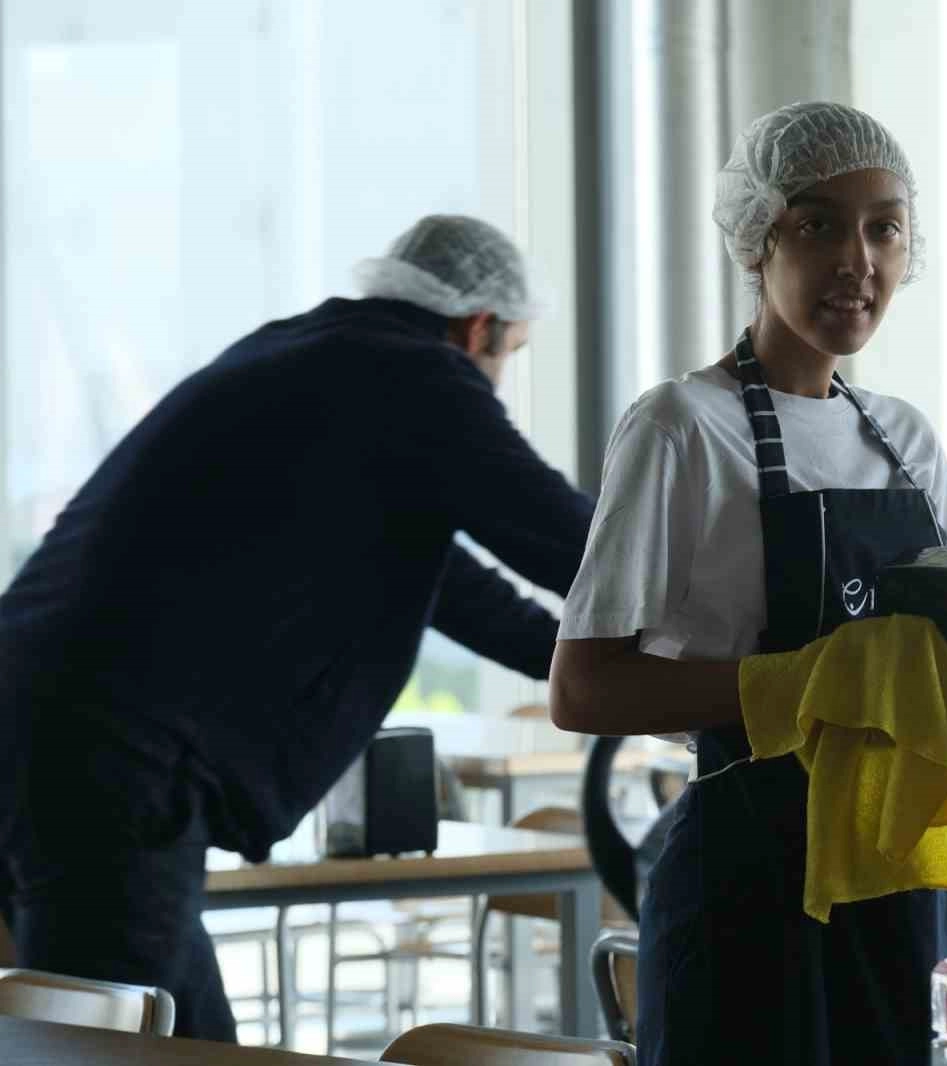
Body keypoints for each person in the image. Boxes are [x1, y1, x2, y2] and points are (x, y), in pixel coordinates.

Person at [0, 214, 594, 1042]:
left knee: (143, 1030)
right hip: (111, 755)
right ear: (479, 327)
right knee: (116, 1043)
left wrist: (586, 668)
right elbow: (575, 542)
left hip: (41, 717)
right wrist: (706, 636)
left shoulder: (301, 354)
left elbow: (452, 587)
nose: (498, 379)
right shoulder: (420, 377)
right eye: (511, 355)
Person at [549, 103, 947, 1066]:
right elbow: (583, 690)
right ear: (758, 241)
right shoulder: (681, 427)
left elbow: (914, 670)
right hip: (744, 892)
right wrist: (808, 682)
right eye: (819, 225)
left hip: (906, 894)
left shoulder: (904, 440)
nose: (856, 261)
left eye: (885, 229)